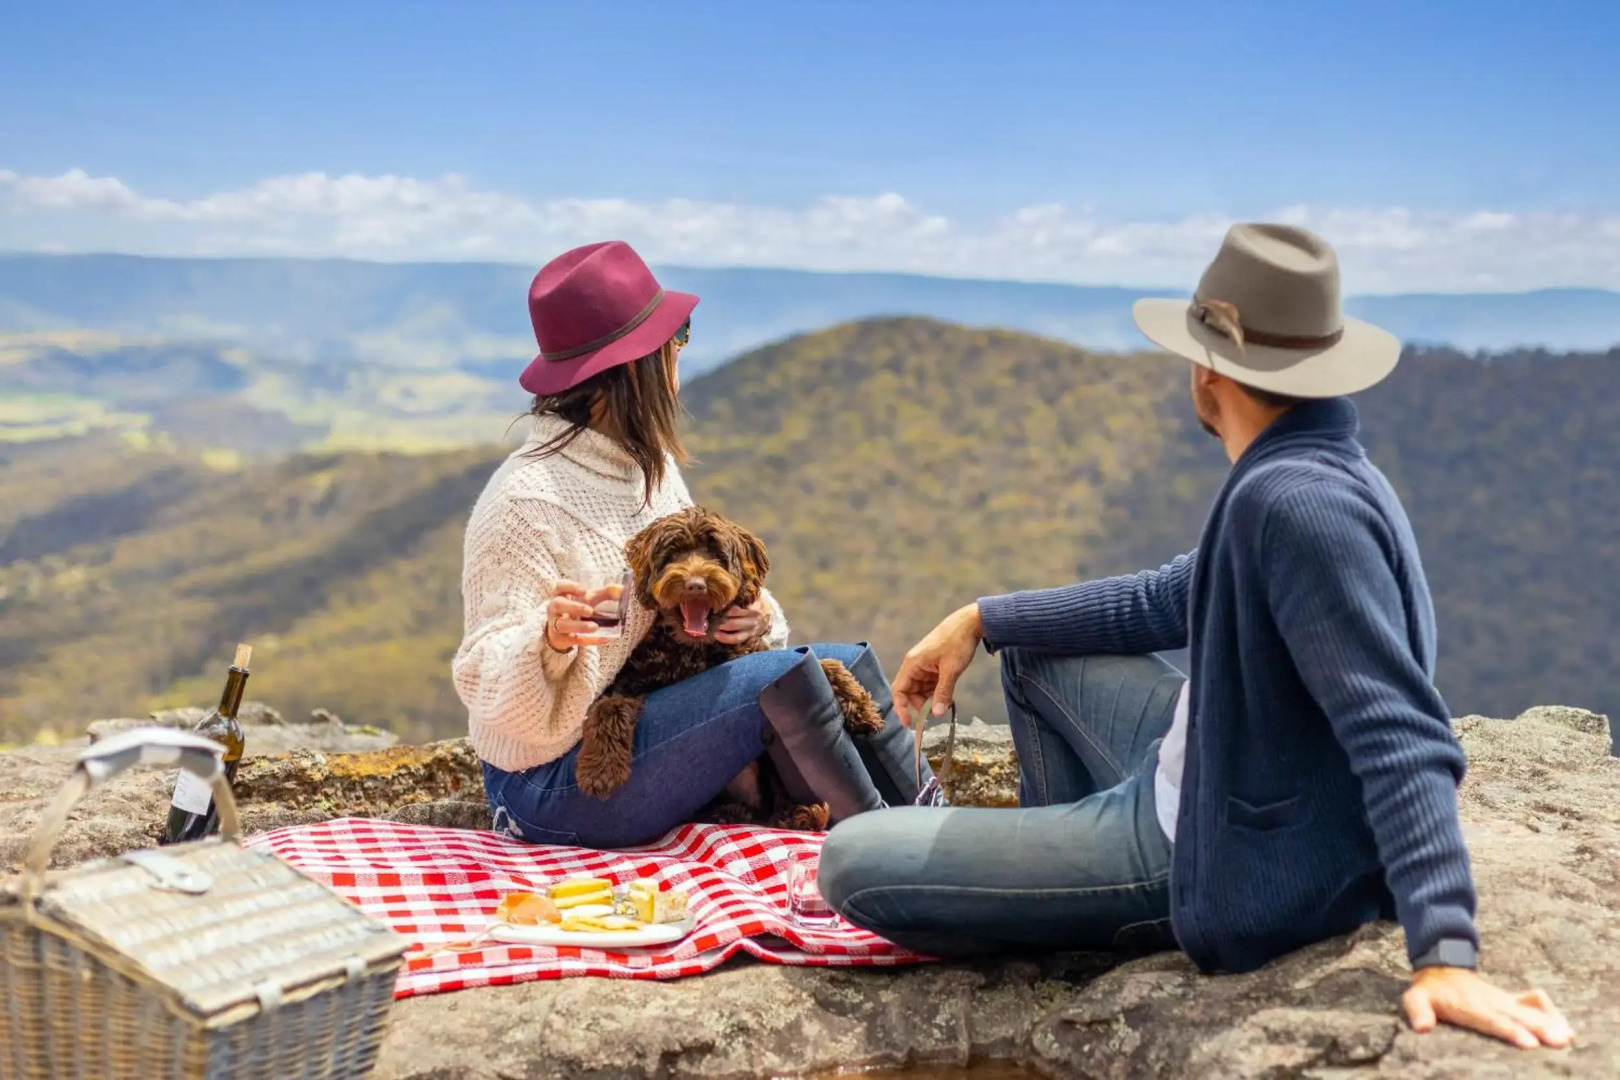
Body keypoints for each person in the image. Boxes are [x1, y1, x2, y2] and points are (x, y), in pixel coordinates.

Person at [818, 224, 1574, 1051]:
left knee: (849, 861)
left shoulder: (1295, 506)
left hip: (1217, 852)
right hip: (1217, 769)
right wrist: (984, 620)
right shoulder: (1303, 465)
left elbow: (1401, 733)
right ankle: (1057, 875)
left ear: (1209, 368)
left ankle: (1102, 904)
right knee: (1035, 651)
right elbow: (1173, 595)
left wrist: (1447, 954)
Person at [454, 240, 940, 851]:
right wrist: (546, 643)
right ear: (636, 365)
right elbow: (486, 687)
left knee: (849, 666)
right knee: (783, 680)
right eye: (676, 337)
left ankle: (935, 830)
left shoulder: (645, 466)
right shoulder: (525, 501)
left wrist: (754, 616)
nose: (682, 352)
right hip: (554, 783)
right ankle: (902, 860)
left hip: (644, 739)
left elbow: (727, 589)